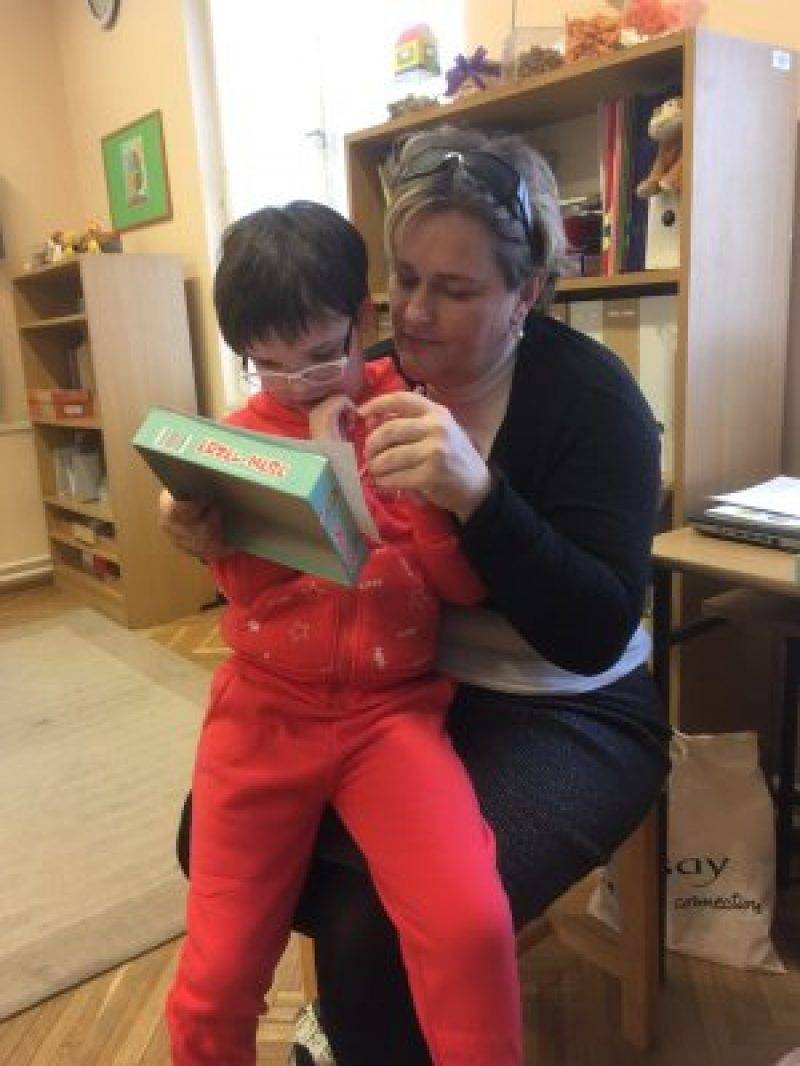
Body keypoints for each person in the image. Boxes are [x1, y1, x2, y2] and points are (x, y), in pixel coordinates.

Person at [165, 127, 671, 1065]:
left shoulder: (593, 402)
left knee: (373, 922)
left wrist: (479, 498)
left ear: (526, 292)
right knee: (212, 840)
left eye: (458, 288)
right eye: (403, 279)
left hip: (567, 704)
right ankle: (352, 1030)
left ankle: (359, 1031)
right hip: (409, 687)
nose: (418, 313)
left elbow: (596, 631)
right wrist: (214, 526)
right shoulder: (360, 375)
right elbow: (303, 545)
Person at [163, 200, 526, 1066]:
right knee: (216, 978)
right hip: (261, 715)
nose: (300, 383)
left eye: (324, 354)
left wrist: (429, 507)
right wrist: (201, 533)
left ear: (363, 319)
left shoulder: (414, 415)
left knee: (471, 927)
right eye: (270, 365)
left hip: (391, 717)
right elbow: (245, 594)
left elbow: (463, 587)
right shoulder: (237, 437)